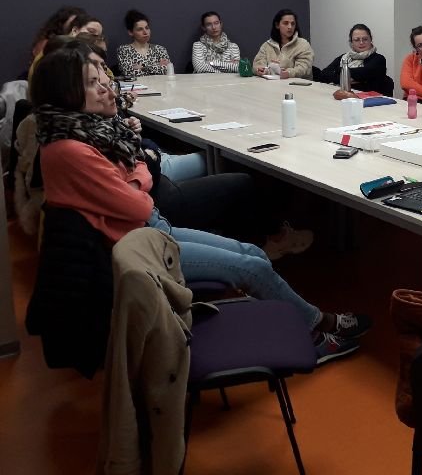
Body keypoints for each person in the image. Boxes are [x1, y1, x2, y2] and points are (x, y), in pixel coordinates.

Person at [31, 46, 369, 364]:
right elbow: (139, 201)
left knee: (252, 252)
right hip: (138, 248)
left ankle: (292, 321)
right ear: (66, 93)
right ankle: (316, 330)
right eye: (92, 83)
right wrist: (138, 174)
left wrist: (136, 175)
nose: (105, 87)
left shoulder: (85, 132)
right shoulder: (70, 149)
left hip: (148, 230)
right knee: (252, 267)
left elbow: (139, 172)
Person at [316, 23, 392, 95]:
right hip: (343, 97)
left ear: (370, 40)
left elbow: (364, 74)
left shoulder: (379, 59)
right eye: (357, 40)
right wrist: (348, 77)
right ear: (351, 42)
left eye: (365, 39)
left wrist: (339, 71)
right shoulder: (344, 57)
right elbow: (324, 75)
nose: (361, 42)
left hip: (367, 100)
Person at [253, 8, 314, 80]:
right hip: (272, 84)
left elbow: (304, 68)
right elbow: (257, 64)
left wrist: (288, 73)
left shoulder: (303, 44)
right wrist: (261, 70)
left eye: (293, 24)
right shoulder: (267, 45)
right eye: (286, 23)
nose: (290, 27)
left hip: (298, 84)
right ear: (277, 25)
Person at [116, 9, 172, 78]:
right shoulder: (124, 50)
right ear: (130, 32)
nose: (145, 32)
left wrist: (142, 67)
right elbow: (128, 73)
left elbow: (167, 70)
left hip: (160, 84)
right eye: (140, 29)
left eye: (147, 28)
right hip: (137, 85)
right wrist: (157, 65)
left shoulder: (160, 49)